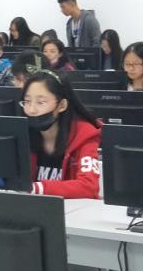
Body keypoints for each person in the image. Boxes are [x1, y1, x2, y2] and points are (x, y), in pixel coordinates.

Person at [20, 71, 101, 199]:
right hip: (31, 206)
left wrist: (38, 188)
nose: (31, 110)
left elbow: (89, 186)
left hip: (73, 208)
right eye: (27, 101)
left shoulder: (84, 135)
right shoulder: (22, 133)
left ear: (62, 105)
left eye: (41, 102)